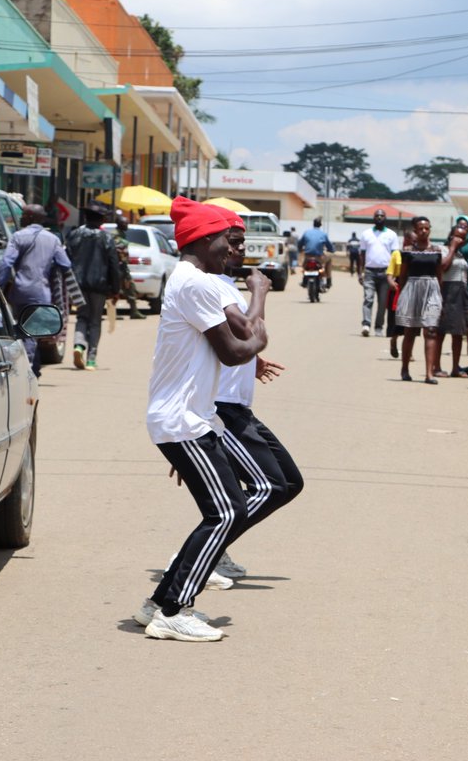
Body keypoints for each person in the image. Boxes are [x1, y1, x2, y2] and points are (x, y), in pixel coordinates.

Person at [138, 197, 268, 642]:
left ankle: (159, 602)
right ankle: (173, 610)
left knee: (225, 511)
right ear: (204, 239)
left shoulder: (193, 280)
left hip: (192, 418)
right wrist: (260, 337)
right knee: (227, 512)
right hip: (182, 420)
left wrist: (251, 338)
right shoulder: (193, 283)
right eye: (227, 242)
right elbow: (234, 352)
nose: (233, 250)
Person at [208, 212, 302, 580]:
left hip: (236, 407)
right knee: (271, 486)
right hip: (221, 408)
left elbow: (228, 340)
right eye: (232, 241)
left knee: (288, 482)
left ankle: (215, 547)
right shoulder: (210, 285)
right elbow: (248, 329)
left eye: (242, 242)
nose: (239, 249)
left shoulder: (223, 284)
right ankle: (203, 551)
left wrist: (253, 360)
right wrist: (260, 292)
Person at [0, 203, 72, 375]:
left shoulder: (18, 236)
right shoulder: (53, 239)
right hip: (42, 294)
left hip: (21, 292)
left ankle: (28, 368)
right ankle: (31, 368)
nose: (21, 217)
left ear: (30, 217)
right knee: (33, 332)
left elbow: (6, 263)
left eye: (23, 214)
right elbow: (65, 264)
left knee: (22, 331)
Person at [66, 200, 121, 370]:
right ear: (101, 220)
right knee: (95, 321)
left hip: (79, 285)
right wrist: (116, 290)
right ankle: (91, 359)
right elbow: (113, 265)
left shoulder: (75, 235)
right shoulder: (106, 237)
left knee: (82, 317)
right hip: (99, 286)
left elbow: (67, 259)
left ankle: (78, 345)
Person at [396, 217, 452, 383]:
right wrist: (401, 297)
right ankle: (405, 369)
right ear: (415, 230)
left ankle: (429, 373)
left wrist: (440, 297)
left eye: (426, 228)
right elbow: (403, 275)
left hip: (432, 289)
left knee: (431, 330)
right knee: (410, 331)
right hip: (412, 289)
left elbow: (439, 275)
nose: (423, 231)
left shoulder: (436, 250)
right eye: (420, 229)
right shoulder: (407, 250)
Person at [436, 222, 468, 378]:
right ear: (451, 237)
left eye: (463, 238)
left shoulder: (462, 255)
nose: (460, 240)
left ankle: (455, 368)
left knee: (458, 333)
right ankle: (436, 366)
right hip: (447, 292)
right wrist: (452, 247)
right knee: (440, 331)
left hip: (460, 293)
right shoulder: (443, 250)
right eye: (457, 236)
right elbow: (443, 267)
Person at [358, 209, 400, 337]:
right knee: (368, 298)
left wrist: (394, 276)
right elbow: (362, 255)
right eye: (377, 216)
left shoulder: (392, 235)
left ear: (385, 218)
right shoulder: (366, 234)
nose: (379, 217)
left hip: (386, 273)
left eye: (382, 215)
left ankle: (378, 327)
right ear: (373, 218)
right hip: (370, 272)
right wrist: (360, 272)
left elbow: (395, 255)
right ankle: (366, 324)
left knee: (383, 303)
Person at [386, 228, 413, 360]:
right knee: (397, 320)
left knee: (411, 321)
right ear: (406, 240)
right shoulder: (397, 254)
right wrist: (391, 282)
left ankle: (409, 352)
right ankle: (394, 340)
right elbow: (390, 272)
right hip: (398, 287)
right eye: (412, 240)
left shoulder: (418, 253)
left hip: (413, 286)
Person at [112, 213, 145, 320]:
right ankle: (112, 314)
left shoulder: (122, 234)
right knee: (115, 291)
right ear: (118, 224)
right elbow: (116, 251)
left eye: (127, 223)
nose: (127, 225)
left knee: (130, 288)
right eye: (124, 223)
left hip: (123, 267)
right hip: (117, 267)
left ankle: (134, 311)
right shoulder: (115, 235)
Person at [298, 217, 335, 291]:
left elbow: (300, 244)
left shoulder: (307, 232)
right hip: (319, 257)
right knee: (330, 258)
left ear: (313, 224)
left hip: (308, 257)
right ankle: (329, 280)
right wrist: (331, 250)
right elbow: (329, 246)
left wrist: (300, 250)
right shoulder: (323, 234)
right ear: (320, 225)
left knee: (304, 267)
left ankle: (304, 280)